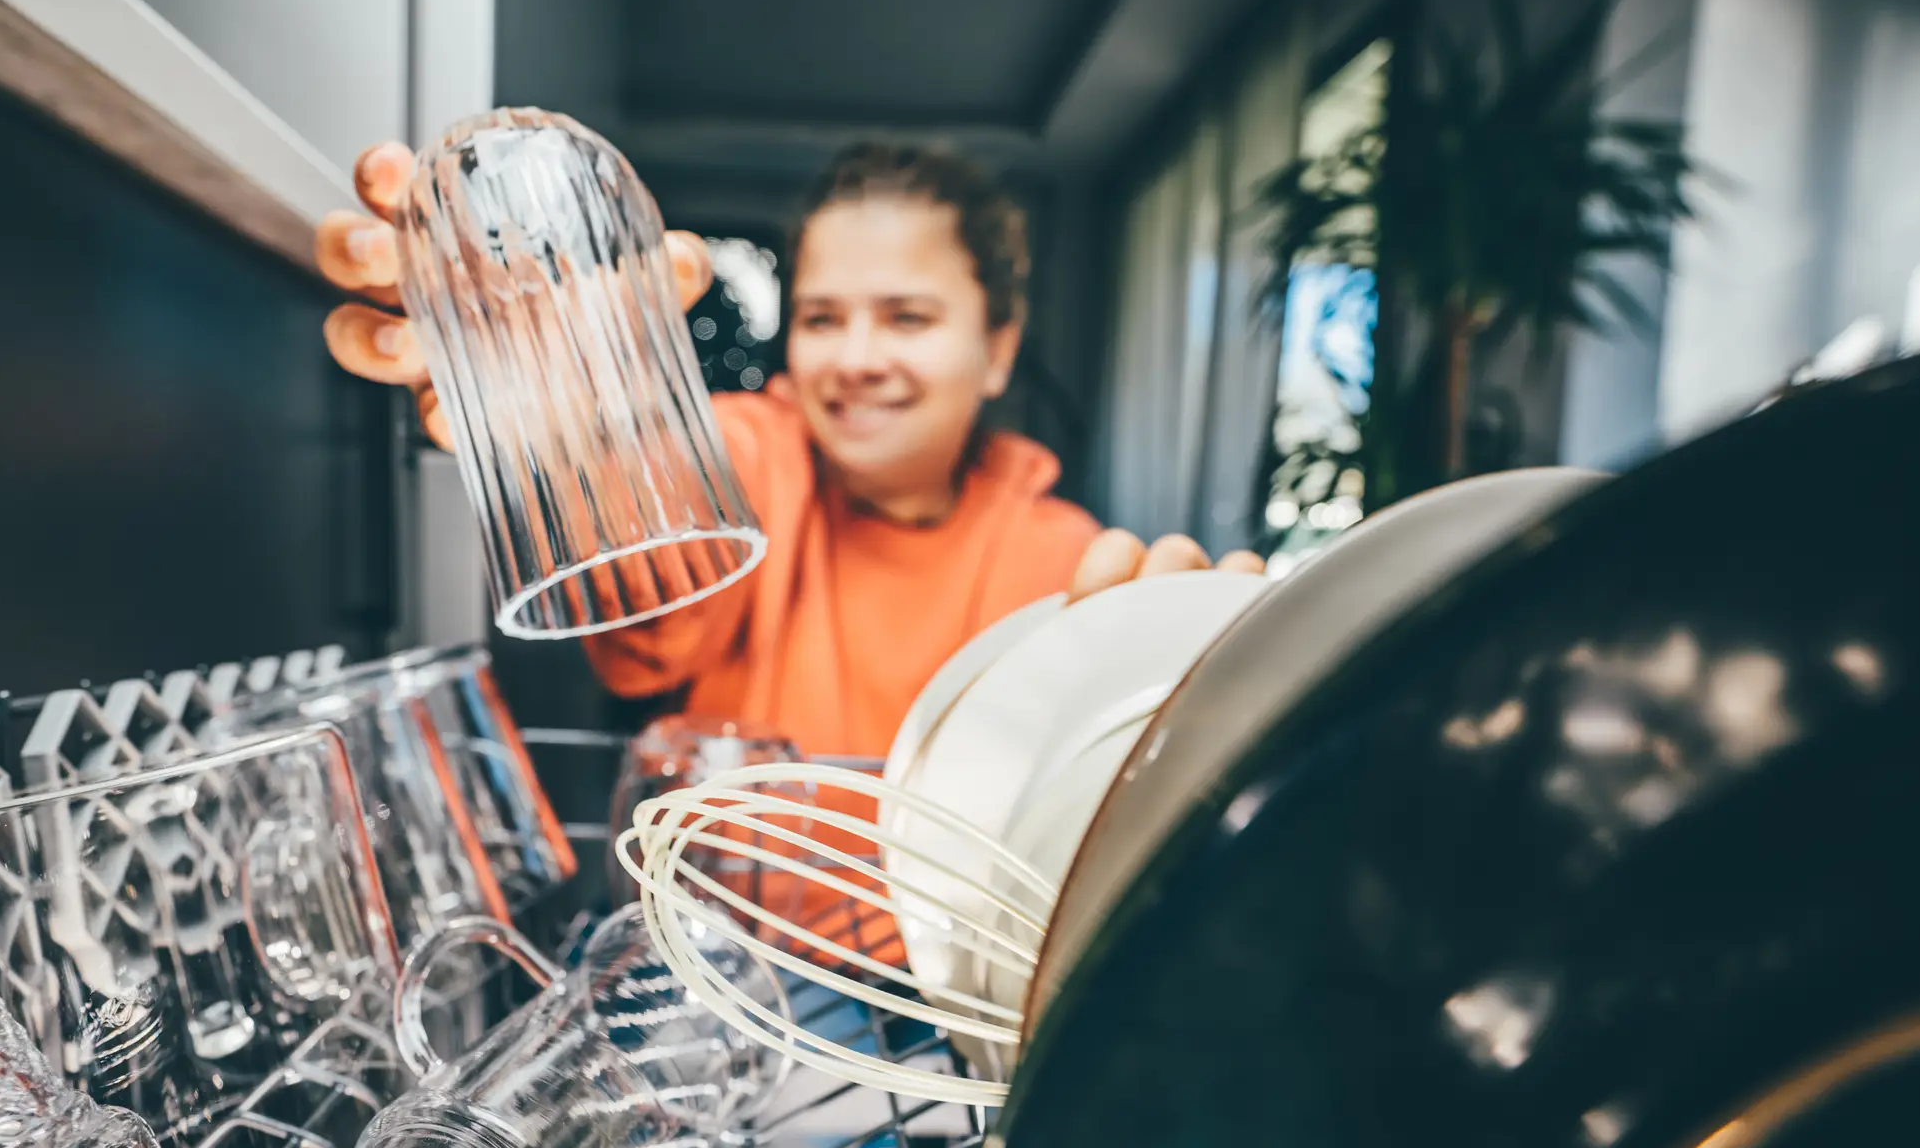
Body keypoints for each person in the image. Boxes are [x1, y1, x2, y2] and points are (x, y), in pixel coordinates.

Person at [318, 136, 1263, 762]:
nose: (854, 360)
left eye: (907, 317)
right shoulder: (757, 456)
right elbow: (645, 575)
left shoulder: (1063, 557)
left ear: (998, 350)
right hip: (728, 963)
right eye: (820, 318)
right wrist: (579, 425)